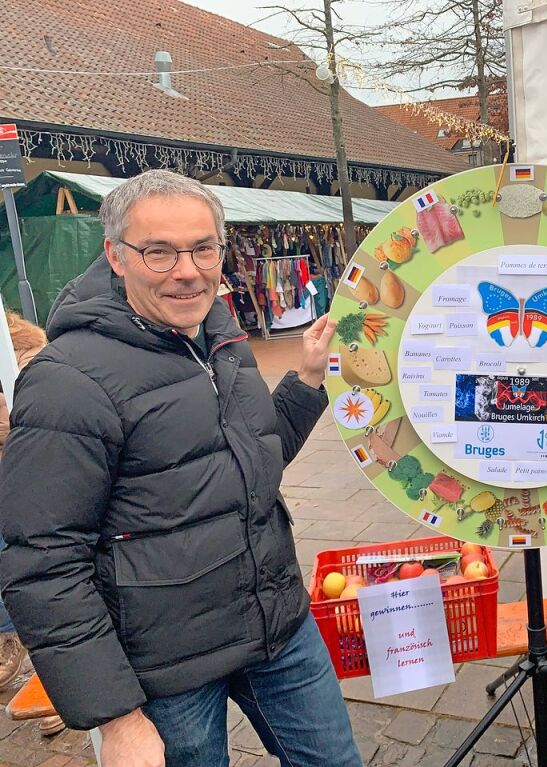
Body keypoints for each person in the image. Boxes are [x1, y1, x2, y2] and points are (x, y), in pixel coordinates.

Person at [0, 170, 361, 767]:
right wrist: (116, 717)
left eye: (203, 247)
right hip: (165, 670)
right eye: (159, 251)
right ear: (116, 255)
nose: (188, 270)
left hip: (277, 629)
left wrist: (307, 381)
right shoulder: (69, 381)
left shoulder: (218, 334)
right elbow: (42, 562)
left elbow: (249, 464)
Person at [0, 311, 65, 737]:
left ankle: (62, 684)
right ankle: (11, 638)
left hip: (41, 484)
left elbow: (34, 417)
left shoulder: (23, 348)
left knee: (48, 576)